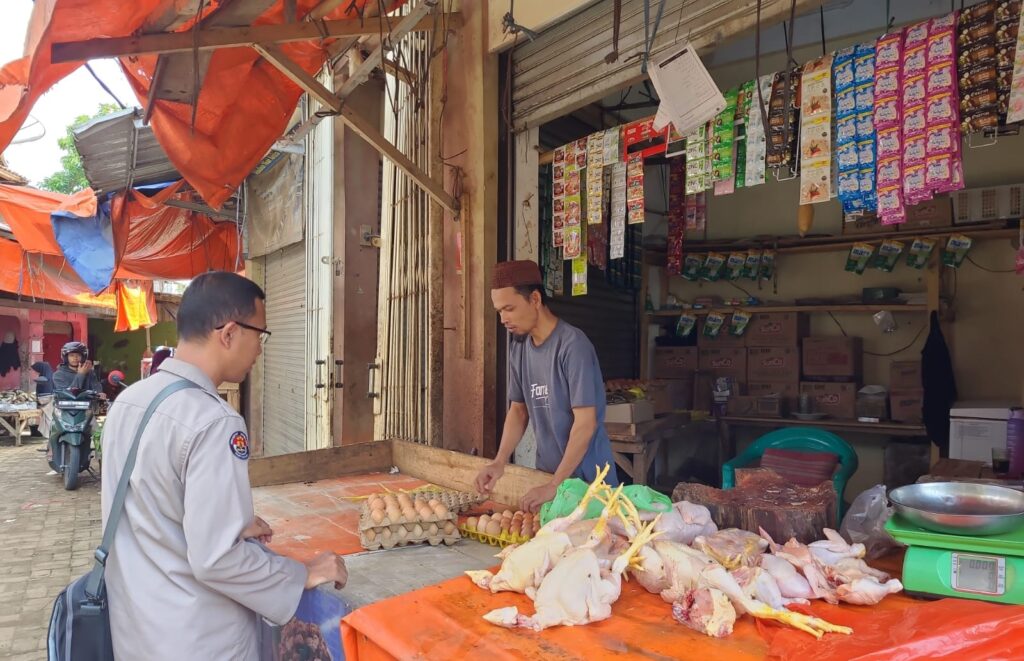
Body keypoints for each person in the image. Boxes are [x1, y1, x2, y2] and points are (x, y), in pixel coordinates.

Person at [100, 271, 347, 660]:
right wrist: (302, 573)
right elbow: (217, 560)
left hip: (137, 630)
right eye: (260, 335)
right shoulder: (214, 421)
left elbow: (148, 506)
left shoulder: (130, 401)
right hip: (198, 639)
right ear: (229, 333)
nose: (260, 349)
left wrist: (226, 521)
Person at [475, 260, 619, 513]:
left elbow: (585, 424)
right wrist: (499, 462)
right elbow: (518, 410)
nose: (503, 319)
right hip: (548, 476)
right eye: (499, 311)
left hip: (589, 484)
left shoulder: (573, 346)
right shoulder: (519, 347)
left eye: (509, 308)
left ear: (535, 299)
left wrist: (555, 485)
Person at [30, 360, 54, 440]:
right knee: (47, 418)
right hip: (50, 399)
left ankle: (50, 434)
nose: (35, 372)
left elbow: (43, 393)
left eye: (36, 370)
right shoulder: (50, 375)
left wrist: (38, 401)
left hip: (46, 400)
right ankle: (49, 434)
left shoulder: (44, 378)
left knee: (48, 418)